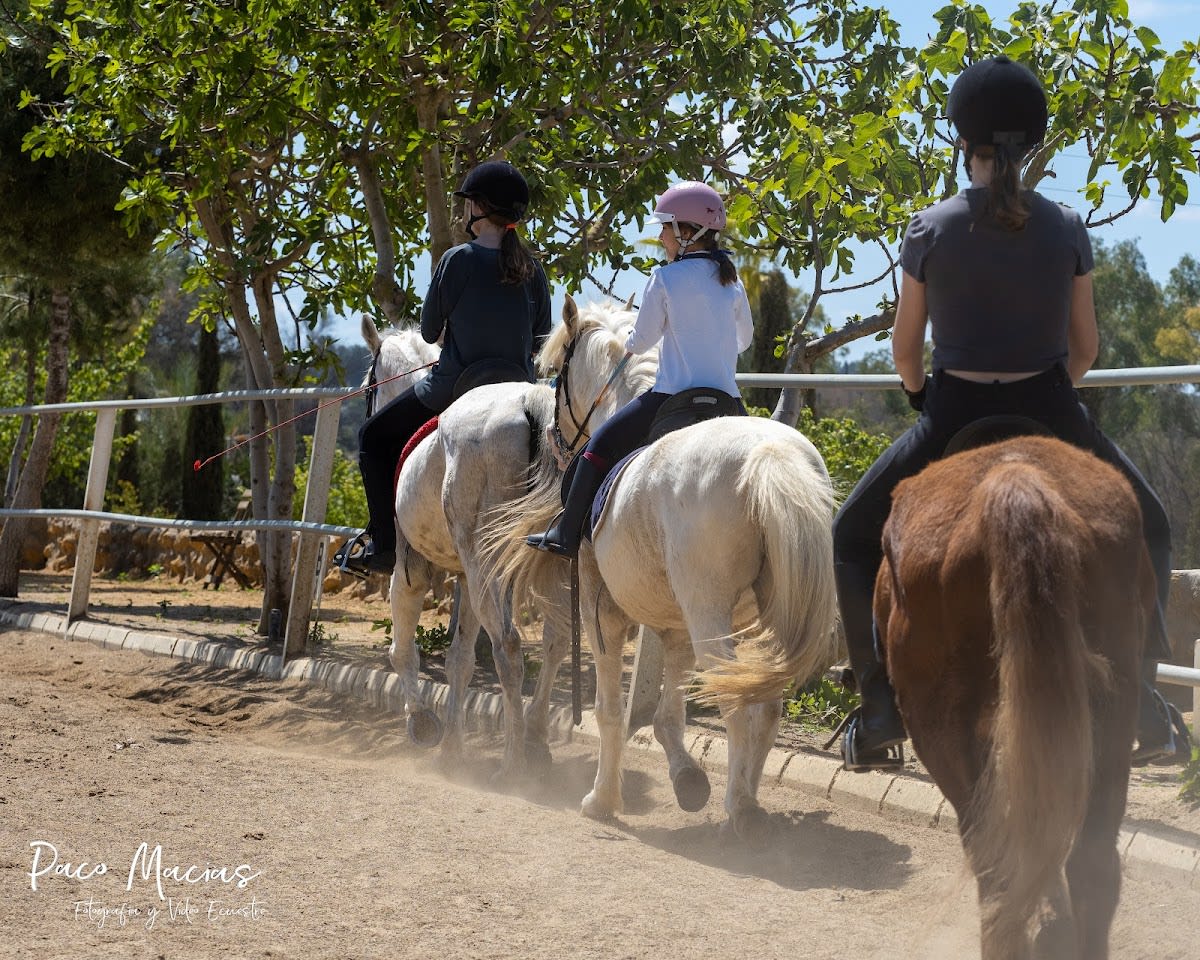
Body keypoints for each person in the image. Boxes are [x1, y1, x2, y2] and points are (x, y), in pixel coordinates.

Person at [835, 55, 1182, 771]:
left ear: (966, 144)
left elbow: (906, 352)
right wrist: (1047, 386)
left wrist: (923, 399)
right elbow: (1084, 350)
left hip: (954, 409)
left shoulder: (929, 228)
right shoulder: (1068, 228)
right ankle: (1146, 701)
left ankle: (876, 706)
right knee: (1152, 525)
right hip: (1052, 407)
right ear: (1035, 143)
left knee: (848, 534)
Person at [336, 160, 552, 574]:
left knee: (372, 437)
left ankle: (382, 545)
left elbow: (431, 333)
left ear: (481, 208)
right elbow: (541, 343)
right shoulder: (533, 269)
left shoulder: (457, 260)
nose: (463, 210)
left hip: (452, 389)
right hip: (522, 397)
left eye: (468, 202)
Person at [525, 180, 753, 557]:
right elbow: (743, 340)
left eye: (666, 227)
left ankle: (565, 534)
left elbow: (641, 343)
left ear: (687, 233)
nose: (662, 236)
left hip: (669, 398)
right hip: (728, 400)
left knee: (596, 448)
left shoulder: (664, 279)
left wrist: (632, 341)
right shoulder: (733, 282)